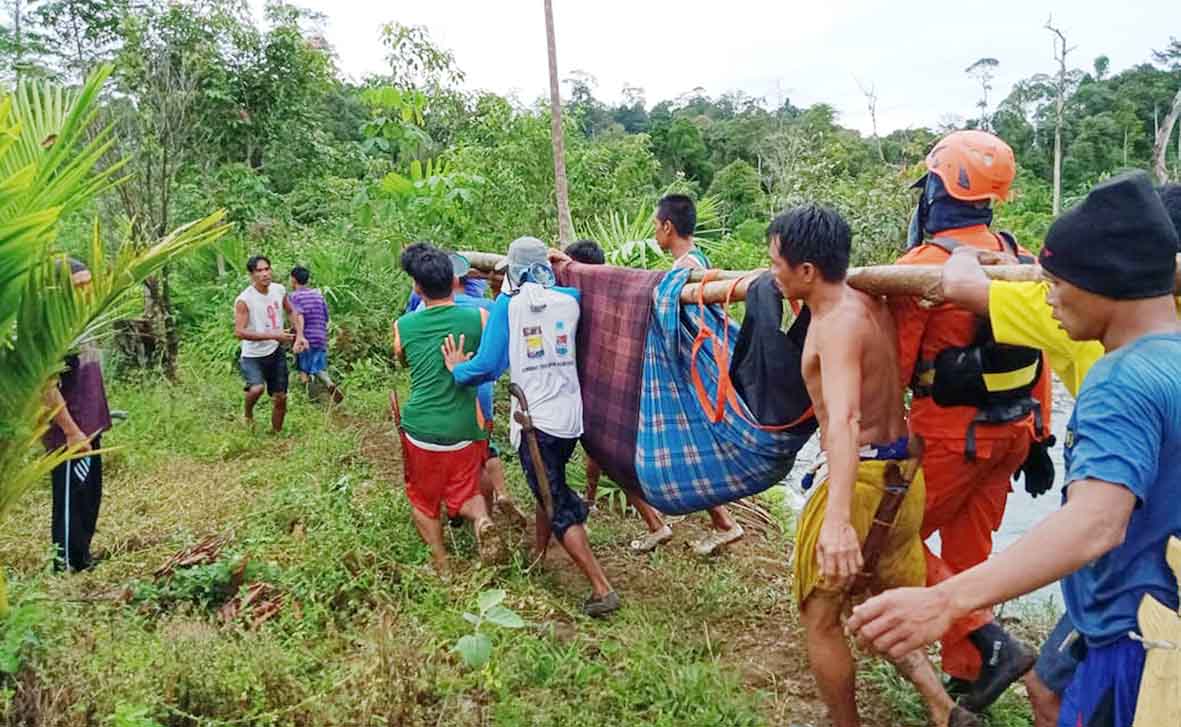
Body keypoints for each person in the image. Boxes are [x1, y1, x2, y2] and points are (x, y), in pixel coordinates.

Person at [850, 171, 1181, 727]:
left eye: (1056, 281)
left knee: (895, 539)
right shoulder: (1169, 356)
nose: (1046, 295)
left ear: (1105, 281)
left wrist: (944, 602)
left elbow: (1095, 525)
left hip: (1135, 643)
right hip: (1146, 605)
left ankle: (978, 640)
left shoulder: (1120, 382)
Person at [769, 206, 979, 727]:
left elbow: (842, 420)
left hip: (859, 482)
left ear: (807, 272)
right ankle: (942, 706)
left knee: (820, 620)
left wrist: (837, 522)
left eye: (776, 264)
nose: (770, 273)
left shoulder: (836, 322)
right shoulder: (871, 298)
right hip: (903, 478)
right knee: (885, 603)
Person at [892, 131, 1045, 710]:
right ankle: (970, 672)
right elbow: (1045, 348)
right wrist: (1042, 433)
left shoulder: (925, 267)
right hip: (1013, 431)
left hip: (951, 435)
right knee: (968, 550)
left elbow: (900, 363)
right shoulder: (1020, 257)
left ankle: (987, 637)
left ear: (939, 189)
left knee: (892, 540)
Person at [443, 236, 620, 617]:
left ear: (515, 272)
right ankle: (539, 555)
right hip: (570, 417)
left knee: (554, 500)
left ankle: (601, 587)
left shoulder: (509, 306)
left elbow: (488, 366)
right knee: (548, 484)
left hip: (535, 422)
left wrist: (459, 370)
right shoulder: (571, 300)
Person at [393, 243, 497, 573]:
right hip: (465, 428)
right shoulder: (480, 317)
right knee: (466, 488)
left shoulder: (404, 325)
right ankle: (481, 519)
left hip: (421, 428)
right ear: (454, 280)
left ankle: (442, 565)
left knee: (423, 500)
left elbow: (402, 358)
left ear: (417, 287)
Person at [651, 194, 744, 556]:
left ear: (668, 227)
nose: (655, 232)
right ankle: (722, 520)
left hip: (694, 370)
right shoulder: (696, 261)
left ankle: (725, 522)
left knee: (695, 443)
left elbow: (673, 320)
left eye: (656, 226)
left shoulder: (685, 270)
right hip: (701, 366)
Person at [43, 258, 111, 573]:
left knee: (88, 495)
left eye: (88, 283)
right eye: (78, 286)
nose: (86, 290)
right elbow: (46, 387)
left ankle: (82, 556)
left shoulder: (83, 321)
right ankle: (66, 564)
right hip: (72, 431)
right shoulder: (55, 330)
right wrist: (71, 431)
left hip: (90, 424)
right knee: (71, 496)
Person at [234, 255, 307, 433]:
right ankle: (248, 414)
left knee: (281, 396)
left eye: (267, 269)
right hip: (253, 356)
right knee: (257, 388)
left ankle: (277, 433)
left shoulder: (279, 290)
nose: (265, 274)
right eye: (259, 271)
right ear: (252, 275)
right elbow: (240, 332)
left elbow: (291, 311)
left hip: (275, 352)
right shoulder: (244, 300)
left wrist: (300, 336)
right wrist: (273, 335)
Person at [288, 266, 343, 403]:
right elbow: (325, 317)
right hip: (320, 336)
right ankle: (329, 383)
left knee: (303, 366)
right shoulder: (318, 296)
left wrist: (296, 333)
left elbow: (298, 315)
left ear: (293, 279)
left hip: (304, 336)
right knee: (318, 365)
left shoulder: (294, 296)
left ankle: (308, 396)